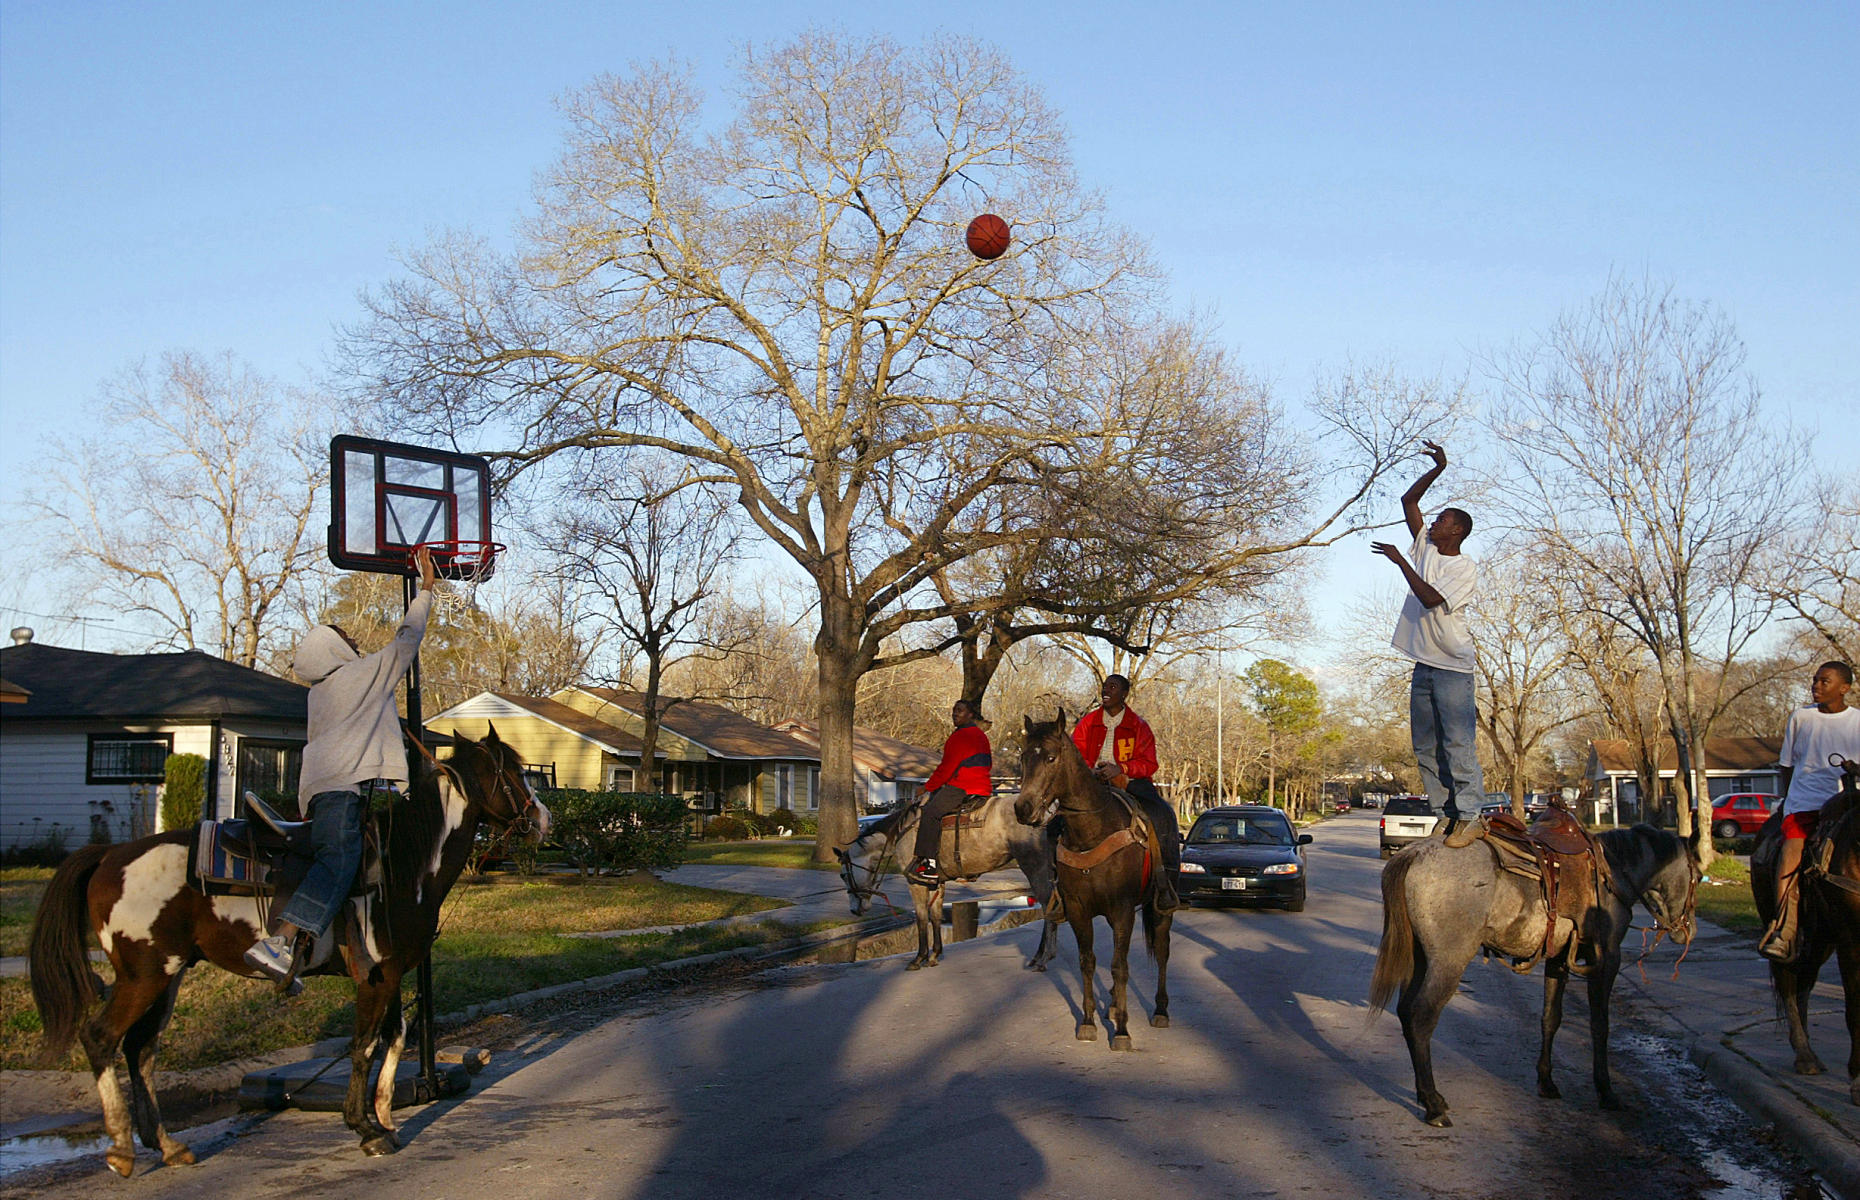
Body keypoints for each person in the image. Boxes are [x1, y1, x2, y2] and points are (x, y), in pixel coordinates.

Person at [244, 546, 439, 984]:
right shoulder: (356, 677)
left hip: (318, 791)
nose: (354, 641)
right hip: (340, 793)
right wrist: (426, 587)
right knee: (340, 860)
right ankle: (282, 940)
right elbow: (406, 641)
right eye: (346, 638)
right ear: (333, 649)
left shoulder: (320, 693)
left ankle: (314, 953)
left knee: (343, 866)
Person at [1371, 440, 1482, 834]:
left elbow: (1431, 599)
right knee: (1424, 747)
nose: (1432, 524)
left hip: (1452, 667)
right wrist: (1439, 468)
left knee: (1457, 744)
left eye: (1440, 521)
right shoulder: (1427, 548)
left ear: (1457, 531)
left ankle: (1470, 816)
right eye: (1432, 520)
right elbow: (1408, 500)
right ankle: (1444, 815)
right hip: (1424, 665)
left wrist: (1401, 561)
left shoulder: (1464, 568)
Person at [1759, 660, 1860, 962]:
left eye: (1824, 681)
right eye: (1815, 680)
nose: (1815, 686)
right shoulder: (1801, 717)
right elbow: (1787, 765)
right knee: (1791, 852)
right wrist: (1788, 802)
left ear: (1845, 688)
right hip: (1806, 804)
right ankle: (1785, 929)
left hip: (1847, 801)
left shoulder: (1857, 721)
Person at [1072, 674, 1181, 885]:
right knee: (1056, 816)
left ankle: (1166, 879)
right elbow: (1077, 754)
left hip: (1131, 782)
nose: (1106, 691)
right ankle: (1055, 882)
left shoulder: (1139, 726)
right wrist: (1090, 770)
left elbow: (1149, 764)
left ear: (1124, 694)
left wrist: (1121, 769)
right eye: (1104, 686)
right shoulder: (1087, 723)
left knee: (1162, 813)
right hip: (1092, 781)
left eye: (1112, 687)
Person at [904, 699, 994, 887]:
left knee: (930, 812)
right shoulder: (981, 735)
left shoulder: (959, 737)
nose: (955, 713)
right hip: (984, 787)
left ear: (970, 714)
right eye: (954, 710)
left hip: (963, 786)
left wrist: (927, 787)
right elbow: (989, 764)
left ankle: (928, 866)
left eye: (960, 710)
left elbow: (946, 769)